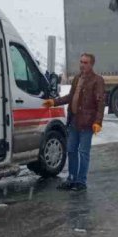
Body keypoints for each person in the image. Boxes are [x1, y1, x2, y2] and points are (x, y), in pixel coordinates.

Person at [43, 52, 105, 191]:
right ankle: (71, 178)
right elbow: (70, 97)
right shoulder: (77, 78)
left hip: (87, 123)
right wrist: (54, 102)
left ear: (91, 64)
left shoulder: (97, 80)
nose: (82, 65)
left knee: (83, 152)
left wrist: (98, 122)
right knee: (71, 150)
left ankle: (81, 181)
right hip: (74, 121)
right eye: (81, 62)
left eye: (85, 63)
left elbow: (100, 103)